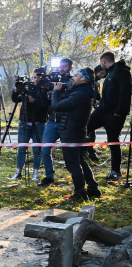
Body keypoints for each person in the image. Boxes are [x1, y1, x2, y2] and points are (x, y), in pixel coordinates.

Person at [52, 67, 101, 201]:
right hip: (76, 131)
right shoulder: (84, 92)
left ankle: (80, 193)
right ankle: (93, 188)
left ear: (83, 79)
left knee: (73, 165)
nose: (73, 78)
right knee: (80, 161)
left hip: (71, 132)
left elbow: (57, 106)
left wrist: (55, 92)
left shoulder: (80, 94)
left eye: (76, 76)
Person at [87, 51, 131, 181]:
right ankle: (79, 156)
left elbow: (125, 93)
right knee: (85, 126)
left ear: (103, 62)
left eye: (101, 63)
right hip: (102, 111)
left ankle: (115, 171)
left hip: (115, 114)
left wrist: (119, 111)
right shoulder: (109, 74)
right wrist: (100, 102)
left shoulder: (122, 72)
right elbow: (111, 94)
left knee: (113, 141)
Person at [38, 58, 74, 187]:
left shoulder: (72, 82)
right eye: (60, 67)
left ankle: (75, 176)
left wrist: (57, 92)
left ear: (70, 68)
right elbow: (46, 103)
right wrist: (47, 93)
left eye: (64, 67)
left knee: (69, 152)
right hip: (52, 121)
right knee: (44, 150)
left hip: (65, 122)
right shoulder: (52, 82)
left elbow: (69, 101)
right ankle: (49, 176)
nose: (61, 69)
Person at [10, 68, 49, 182]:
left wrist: (34, 101)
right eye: (34, 77)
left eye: (38, 77)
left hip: (39, 122)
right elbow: (15, 99)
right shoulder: (28, 88)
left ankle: (36, 173)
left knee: (37, 149)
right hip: (24, 120)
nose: (36, 80)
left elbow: (45, 106)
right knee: (22, 148)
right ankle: (18, 172)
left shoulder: (46, 88)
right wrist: (17, 90)